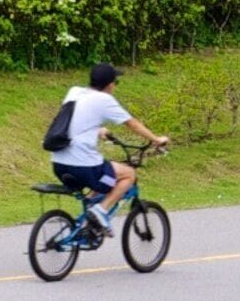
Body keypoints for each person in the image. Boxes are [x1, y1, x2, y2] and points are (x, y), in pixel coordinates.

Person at [50, 61, 169, 222]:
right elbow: (132, 123)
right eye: (115, 83)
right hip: (84, 168)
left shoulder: (75, 92)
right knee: (128, 175)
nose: (115, 86)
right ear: (110, 85)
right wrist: (156, 139)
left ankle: (87, 219)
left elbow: (72, 119)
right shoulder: (104, 99)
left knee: (108, 176)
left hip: (59, 164)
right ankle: (100, 211)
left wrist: (97, 130)